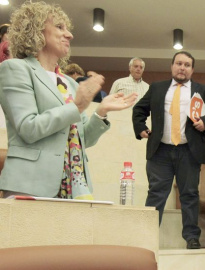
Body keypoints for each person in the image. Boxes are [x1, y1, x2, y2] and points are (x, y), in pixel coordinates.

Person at [0, 1, 137, 199]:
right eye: (59, 27)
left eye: (68, 29)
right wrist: (78, 106)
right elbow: (28, 128)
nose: (70, 35)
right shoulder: (15, 69)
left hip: (73, 187)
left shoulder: (69, 84)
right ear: (36, 30)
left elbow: (83, 141)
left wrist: (101, 112)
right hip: (30, 185)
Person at [132, 51, 205, 249]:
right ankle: (146, 237)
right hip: (160, 151)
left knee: (190, 194)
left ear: (192, 69)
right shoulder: (157, 88)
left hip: (189, 152)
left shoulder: (204, 91)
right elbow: (139, 109)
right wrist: (140, 127)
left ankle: (191, 237)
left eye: (187, 65)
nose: (182, 67)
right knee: (156, 193)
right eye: (179, 63)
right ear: (172, 66)